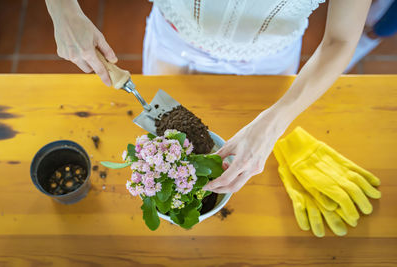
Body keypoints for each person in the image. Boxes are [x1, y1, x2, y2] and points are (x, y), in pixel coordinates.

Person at [45, 0, 372, 194]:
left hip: (271, 63)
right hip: (172, 45)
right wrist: (62, 10)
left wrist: (275, 121)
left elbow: (341, 39)